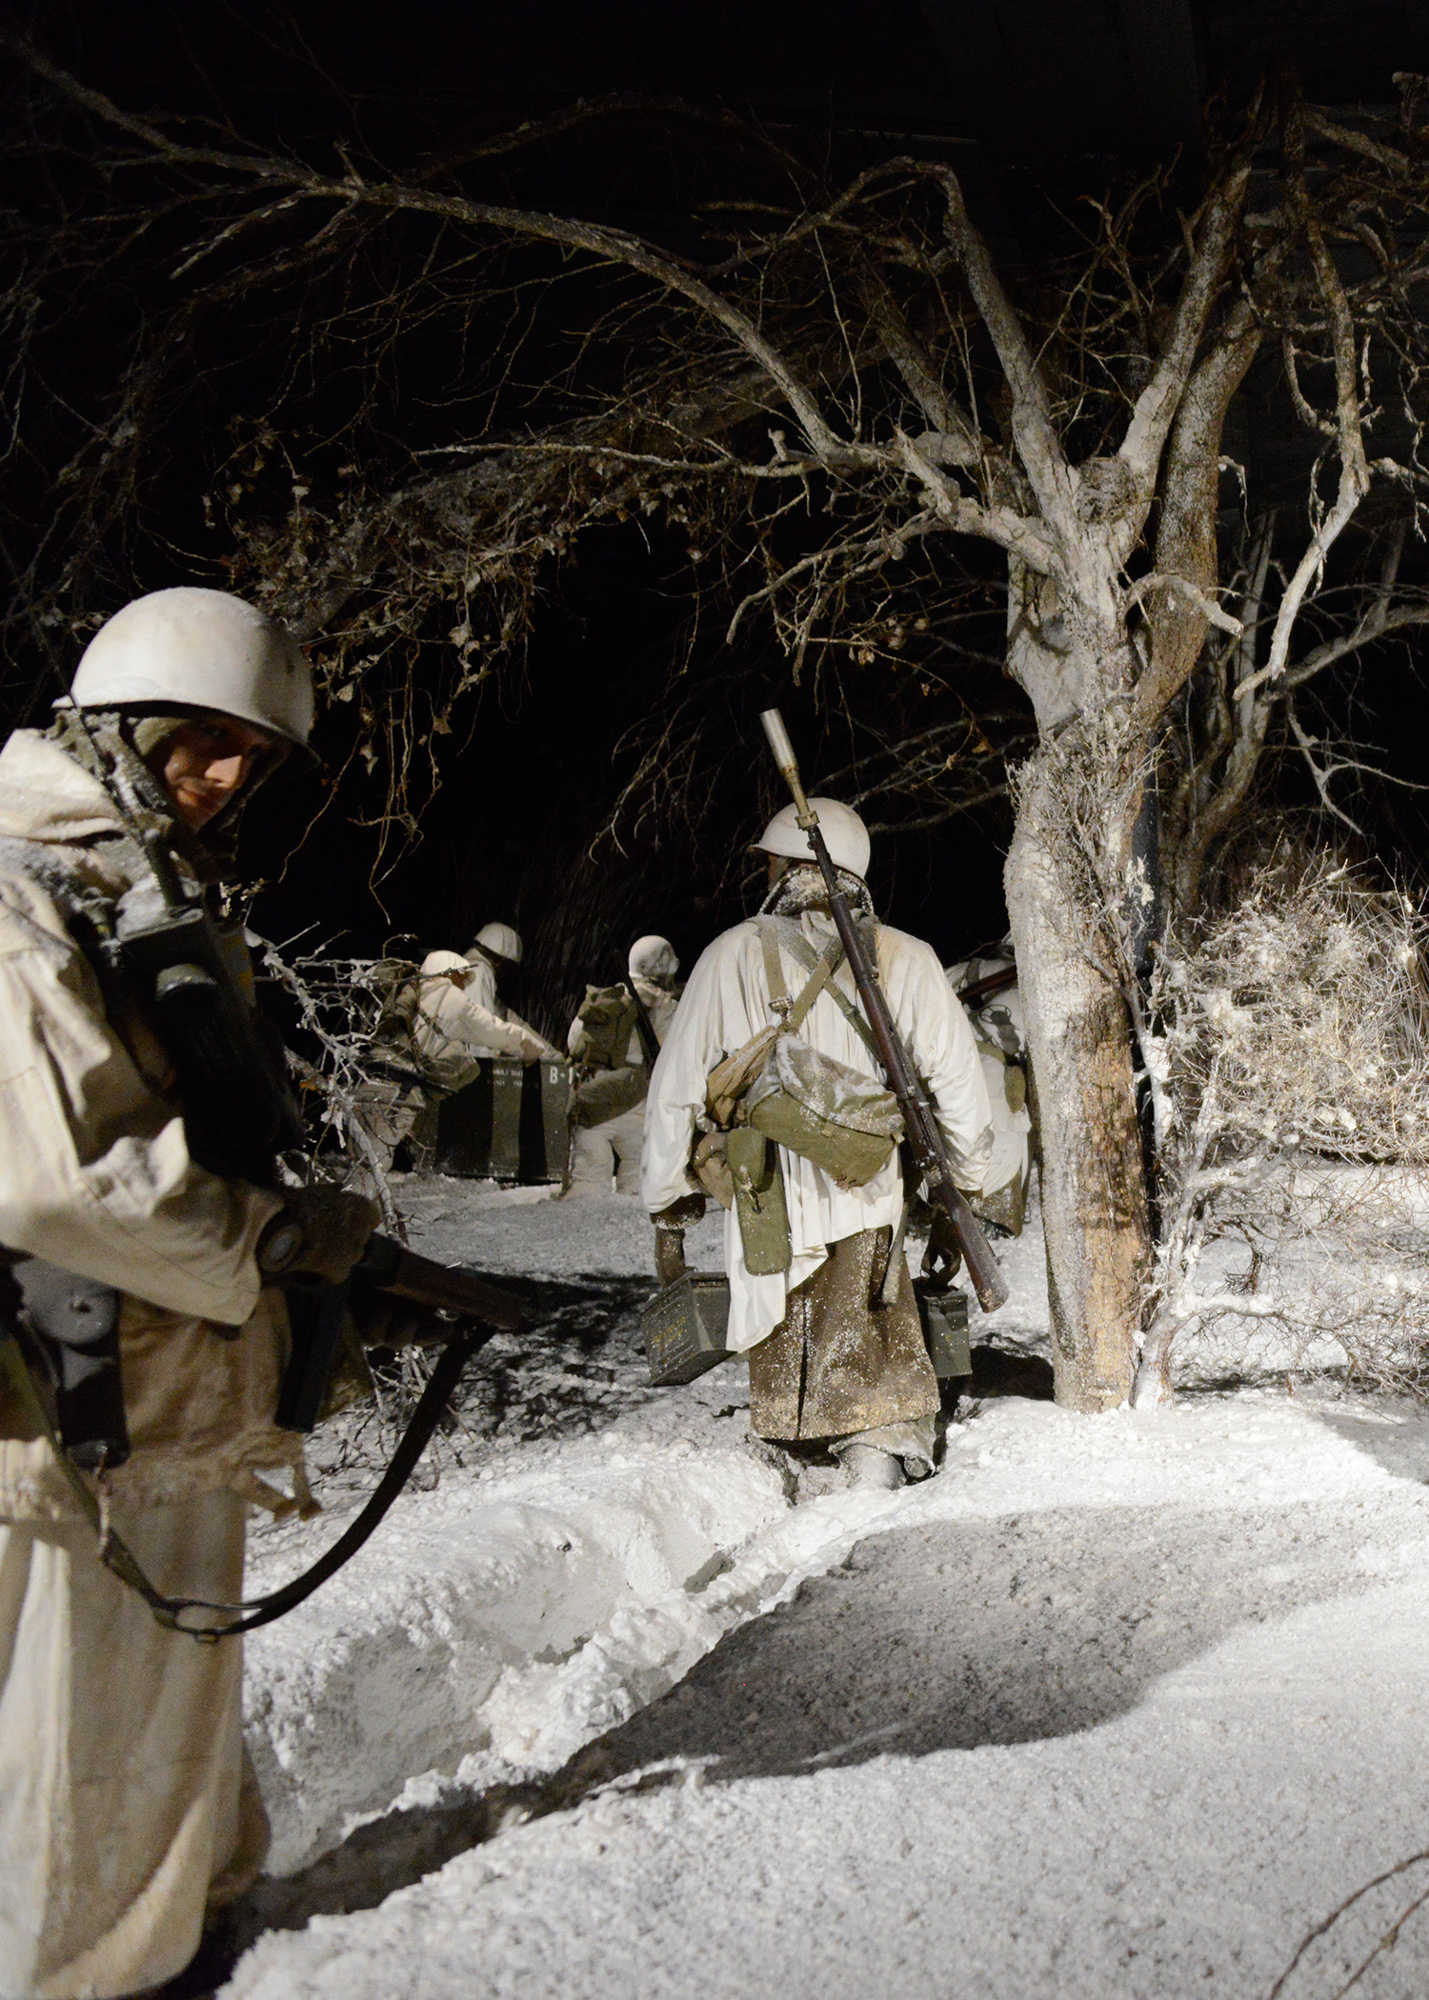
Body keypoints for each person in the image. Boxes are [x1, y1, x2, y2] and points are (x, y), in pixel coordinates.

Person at [0, 587, 380, 1999]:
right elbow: (58, 1180)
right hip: (84, 1401)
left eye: (246, 757)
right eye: (198, 742)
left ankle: (190, 1919)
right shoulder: (22, 894)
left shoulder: (126, 886)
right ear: (114, 723)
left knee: (155, 1698)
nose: (221, 780)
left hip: (148, 1386)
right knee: (88, 1728)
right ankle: (99, 1974)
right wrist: (269, 1241)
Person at [640, 799, 994, 1490]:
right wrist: (966, 1188)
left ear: (788, 868)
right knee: (870, 1310)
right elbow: (959, 1086)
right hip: (869, 1182)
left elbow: (675, 1088)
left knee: (780, 1305)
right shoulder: (909, 956)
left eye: (772, 860)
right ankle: (873, 1444)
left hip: (764, 1185)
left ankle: (810, 1448)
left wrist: (666, 1204)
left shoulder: (728, 954)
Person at [564, 935, 681, 1198]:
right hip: (634, 1105)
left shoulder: (606, 1000)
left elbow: (575, 1043)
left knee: (586, 1191)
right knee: (636, 1192)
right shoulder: (664, 1006)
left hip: (592, 1103)